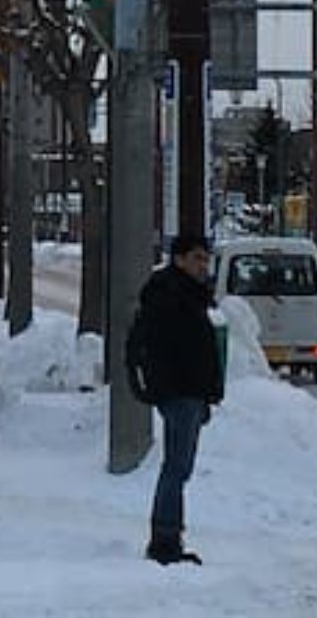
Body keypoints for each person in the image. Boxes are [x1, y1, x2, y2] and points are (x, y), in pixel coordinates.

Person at [126, 231, 224, 566]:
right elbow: (163, 347)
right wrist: (167, 386)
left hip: (191, 392)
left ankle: (169, 536)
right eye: (197, 258)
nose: (203, 265)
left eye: (206, 258)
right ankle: (165, 539)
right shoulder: (170, 295)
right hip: (180, 392)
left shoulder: (188, 294)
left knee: (180, 468)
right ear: (179, 259)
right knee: (176, 467)